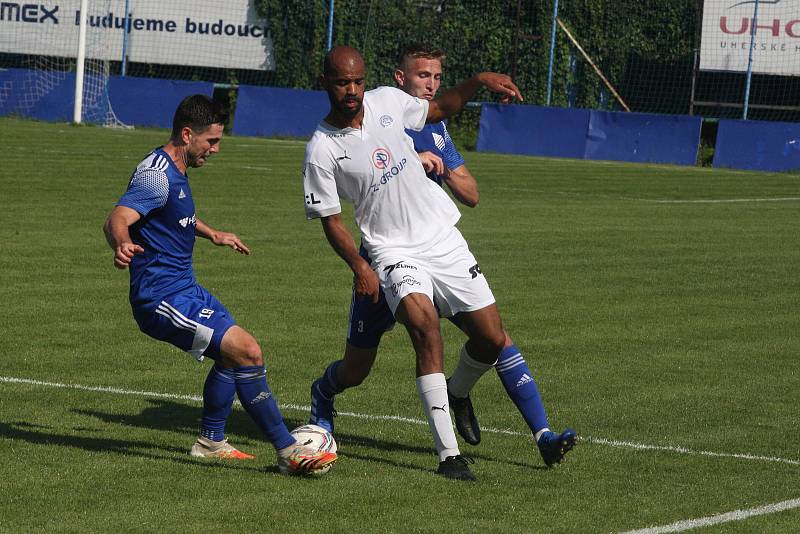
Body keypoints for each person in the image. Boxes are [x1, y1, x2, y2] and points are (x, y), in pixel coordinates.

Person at [308, 43, 577, 472]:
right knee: (395, 345)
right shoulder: (321, 150)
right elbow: (332, 221)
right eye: (342, 83)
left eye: (357, 81)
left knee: (492, 338)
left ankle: (476, 402)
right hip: (389, 253)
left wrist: (478, 82)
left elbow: (439, 110)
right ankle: (447, 455)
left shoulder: (388, 101)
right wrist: (360, 267)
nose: (352, 90)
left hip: (441, 240)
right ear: (325, 84)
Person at [103, 94, 336, 475]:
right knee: (247, 350)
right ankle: (289, 450)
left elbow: (173, 216)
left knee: (232, 356)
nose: (215, 149)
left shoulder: (175, 170)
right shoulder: (155, 174)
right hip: (159, 297)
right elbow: (117, 217)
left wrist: (212, 233)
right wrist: (122, 242)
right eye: (211, 141)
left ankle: (211, 442)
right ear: (186, 133)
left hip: (185, 288)